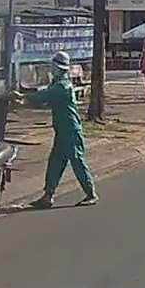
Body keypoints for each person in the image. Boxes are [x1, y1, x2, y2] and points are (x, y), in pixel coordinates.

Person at [21, 51, 98, 208]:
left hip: (70, 130)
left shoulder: (62, 86)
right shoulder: (58, 84)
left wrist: (23, 98)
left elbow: (44, 96)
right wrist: (24, 99)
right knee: (55, 163)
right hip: (62, 131)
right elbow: (45, 99)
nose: (52, 69)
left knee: (77, 161)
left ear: (58, 68)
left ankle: (91, 193)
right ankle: (48, 195)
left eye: (53, 66)